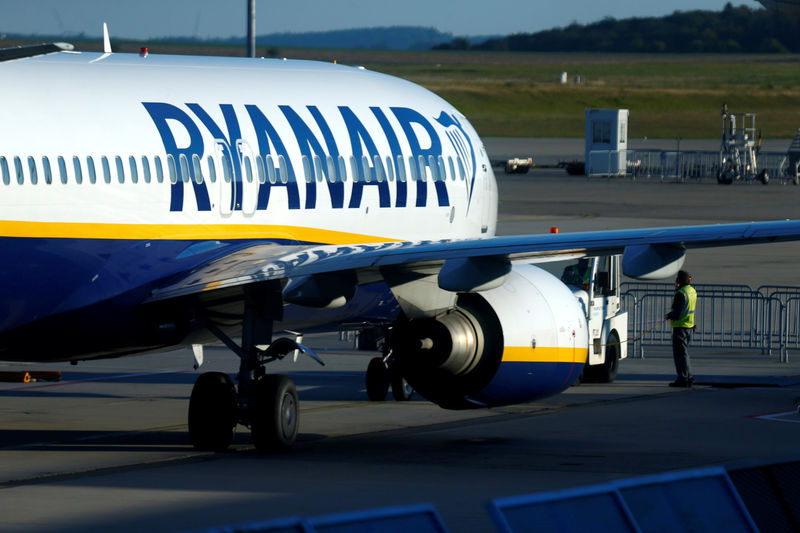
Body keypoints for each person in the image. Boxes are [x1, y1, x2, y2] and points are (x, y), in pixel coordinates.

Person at [665, 270, 697, 387]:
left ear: (679, 280)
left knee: (680, 354)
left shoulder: (681, 293)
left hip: (680, 327)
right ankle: (688, 376)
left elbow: (677, 312)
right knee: (684, 353)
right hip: (689, 326)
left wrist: (669, 315)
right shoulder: (692, 291)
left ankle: (683, 378)